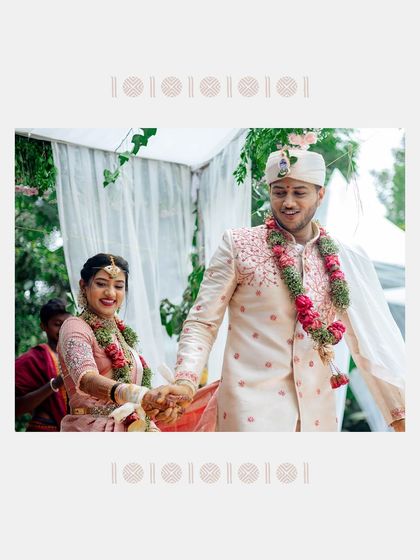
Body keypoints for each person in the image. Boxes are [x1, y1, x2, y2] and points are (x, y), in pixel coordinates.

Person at [168, 146, 406, 432]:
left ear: (320, 195)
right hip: (250, 410)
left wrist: (399, 414)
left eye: (299, 192)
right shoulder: (239, 244)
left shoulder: (341, 258)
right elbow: (202, 321)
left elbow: (364, 339)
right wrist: (185, 379)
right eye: (279, 192)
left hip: (317, 414)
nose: (288, 202)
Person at [57, 253, 187, 432]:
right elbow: (86, 380)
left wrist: (160, 403)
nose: (110, 293)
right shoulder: (75, 327)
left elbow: (138, 395)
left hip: (131, 426)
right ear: (83, 285)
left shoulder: (121, 333)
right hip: (91, 429)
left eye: (118, 286)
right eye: (101, 284)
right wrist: (141, 395)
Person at [15, 298, 71, 431]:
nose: (63, 329)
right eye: (57, 324)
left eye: (68, 324)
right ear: (43, 326)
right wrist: (55, 383)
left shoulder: (82, 355)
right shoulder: (35, 358)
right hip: (45, 429)